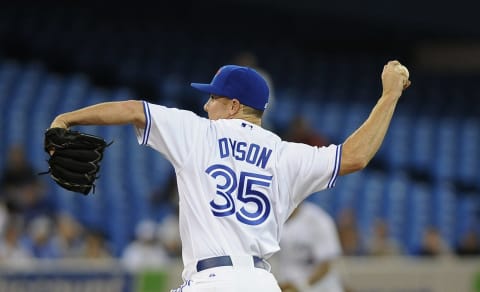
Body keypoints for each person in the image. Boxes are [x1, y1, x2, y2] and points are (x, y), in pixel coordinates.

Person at [48, 60, 410, 291]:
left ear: (234, 106)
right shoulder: (286, 155)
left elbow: (131, 110)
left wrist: (67, 119)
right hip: (261, 282)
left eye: (214, 98)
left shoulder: (197, 132)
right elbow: (356, 156)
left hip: (211, 280)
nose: (206, 105)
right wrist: (390, 94)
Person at [276, 201, 345, 292]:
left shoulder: (318, 219)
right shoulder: (272, 217)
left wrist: (301, 285)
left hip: (319, 287)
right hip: (286, 285)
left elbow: (326, 264)